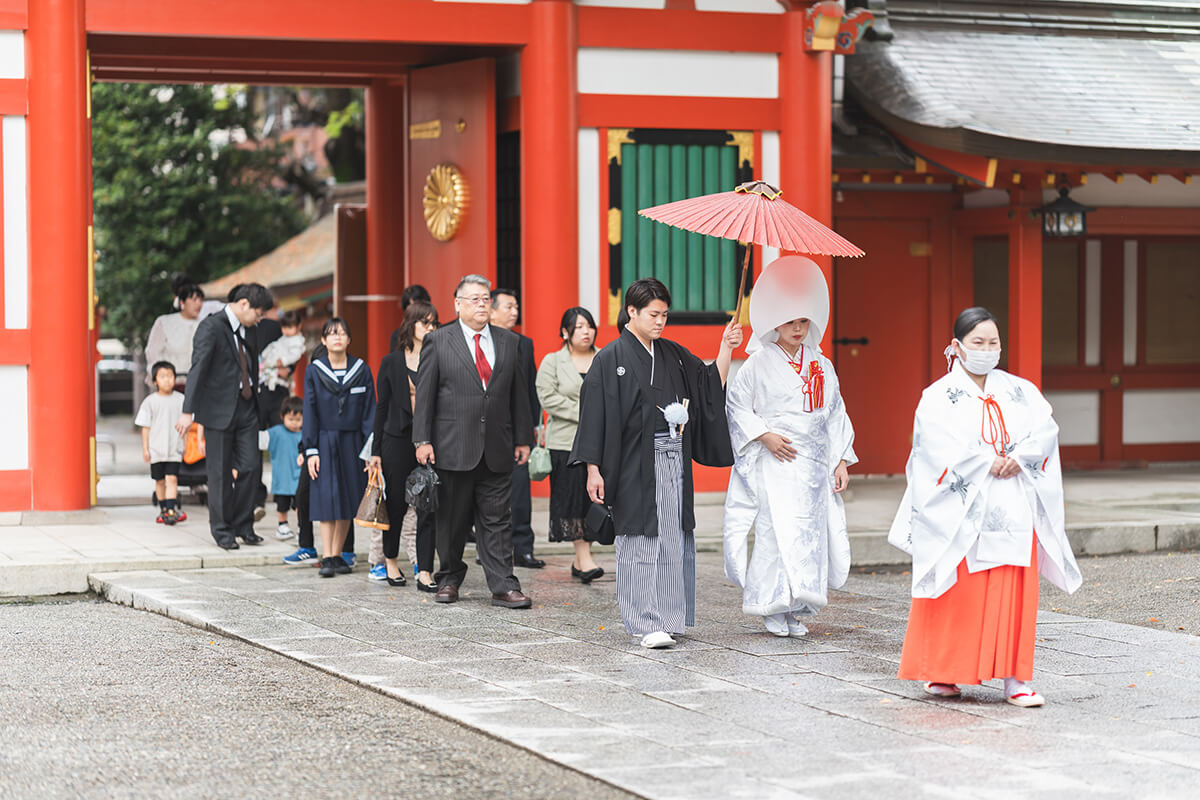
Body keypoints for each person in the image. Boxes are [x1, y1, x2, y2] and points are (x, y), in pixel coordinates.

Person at [889, 306, 1082, 707]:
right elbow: (932, 447)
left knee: (1013, 592)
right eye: (978, 342)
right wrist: (983, 461)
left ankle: (1016, 678)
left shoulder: (1020, 390)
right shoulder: (938, 397)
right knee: (959, 592)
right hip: (963, 511)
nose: (987, 349)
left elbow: (1045, 431)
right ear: (957, 346)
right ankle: (944, 673)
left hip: (1013, 502)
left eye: (994, 342)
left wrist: (1022, 456)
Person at [571, 278, 741, 649]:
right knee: (639, 539)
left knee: (673, 537)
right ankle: (644, 621)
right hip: (632, 463)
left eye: (664, 315)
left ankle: (669, 617)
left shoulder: (674, 354)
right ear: (631, 311)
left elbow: (708, 384)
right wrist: (593, 469)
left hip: (673, 458)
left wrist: (725, 348)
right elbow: (593, 418)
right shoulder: (609, 359)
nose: (660, 321)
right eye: (653, 314)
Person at [723, 257, 857, 637]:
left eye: (803, 321)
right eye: (789, 322)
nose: (798, 329)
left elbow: (835, 413)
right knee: (773, 530)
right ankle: (770, 604)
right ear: (774, 324)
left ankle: (796, 606)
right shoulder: (756, 364)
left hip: (813, 464)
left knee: (808, 535)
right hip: (775, 460)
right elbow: (736, 406)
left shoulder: (821, 364)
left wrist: (840, 460)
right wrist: (763, 435)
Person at [413, 274, 534, 609]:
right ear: (457, 304)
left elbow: (518, 395)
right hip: (452, 445)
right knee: (451, 520)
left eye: (486, 299)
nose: (482, 305)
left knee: (498, 520)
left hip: (497, 445)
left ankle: (503, 585)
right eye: (474, 299)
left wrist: (523, 437)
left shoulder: (509, 342)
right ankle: (449, 577)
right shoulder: (439, 341)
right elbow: (425, 396)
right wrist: (422, 439)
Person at [176, 283, 275, 550]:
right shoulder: (211, 327)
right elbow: (197, 369)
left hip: (247, 408)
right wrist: (188, 411)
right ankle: (222, 531)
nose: (259, 318)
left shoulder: (250, 329)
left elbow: (251, 363)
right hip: (218, 411)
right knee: (219, 474)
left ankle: (244, 524)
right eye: (258, 312)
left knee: (251, 467)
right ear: (244, 305)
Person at [369, 300, 440, 590]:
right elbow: (381, 407)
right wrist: (375, 451)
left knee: (429, 506)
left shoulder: (439, 358)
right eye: (426, 322)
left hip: (430, 442)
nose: (431, 328)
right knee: (396, 505)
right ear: (411, 325)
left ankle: (425, 570)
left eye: (434, 323)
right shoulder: (391, 362)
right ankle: (391, 561)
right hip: (396, 442)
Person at [303, 318, 376, 579]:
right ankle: (328, 556)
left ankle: (338, 555)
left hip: (353, 442)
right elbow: (309, 410)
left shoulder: (361, 369)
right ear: (323, 340)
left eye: (342, 333)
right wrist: (310, 449)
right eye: (331, 334)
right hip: (324, 440)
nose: (337, 338)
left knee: (347, 496)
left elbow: (370, 411)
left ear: (349, 340)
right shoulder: (314, 371)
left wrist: (370, 451)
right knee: (326, 497)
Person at [536, 307, 602, 582]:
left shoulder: (604, 358)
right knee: (573, 498)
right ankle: (585, 558)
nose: (586, 331)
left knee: (596, 498)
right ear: (565, 332)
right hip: (566, 442)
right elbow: (547, 397)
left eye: (589, 326)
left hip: (600, 442)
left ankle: (580, 560)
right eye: (579, 327)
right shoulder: (553, 361)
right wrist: (587, 414)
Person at [490, 287, 544, 569]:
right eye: (509, 307)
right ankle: (491, 549)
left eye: (516, 307)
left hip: (517, 430)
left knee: (520, 492)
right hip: (487, 430)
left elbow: (530, 389)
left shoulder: (524, 344)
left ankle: (522, 548)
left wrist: (534, 427)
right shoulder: (479, 343)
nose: (514, 312)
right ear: (492, 309)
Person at [136, 360, 188, 525]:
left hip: (174, 447)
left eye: (170, 376)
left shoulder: (181, 400)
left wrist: (185, 444)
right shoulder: (150, 402)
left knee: (172, 478)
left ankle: (171, 510)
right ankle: (163, 509)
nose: (167, 380)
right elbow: (145, 427)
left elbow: (186, 426)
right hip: (156, 449)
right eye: (163, 376)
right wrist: (145, 449)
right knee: (159, 481)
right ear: (154, 381)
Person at [145, 278, 205, 389]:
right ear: (182, 302)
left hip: (198, 386)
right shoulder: (164, 322)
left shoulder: (205, 324)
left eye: (201, 300)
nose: (199, 304)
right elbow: (152, 353)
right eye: (194, 299)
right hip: (170, 385)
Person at [261, 395, 304, 540]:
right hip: (282, 477)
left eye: (298, 420)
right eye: (290, 419)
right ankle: (282, 525)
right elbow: (259, 440)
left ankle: (301, 527)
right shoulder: (275, 433)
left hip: (299, 478)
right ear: (282, 416)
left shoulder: (306, 435)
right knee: (282, 503)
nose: (294, 423)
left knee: (301, 504)